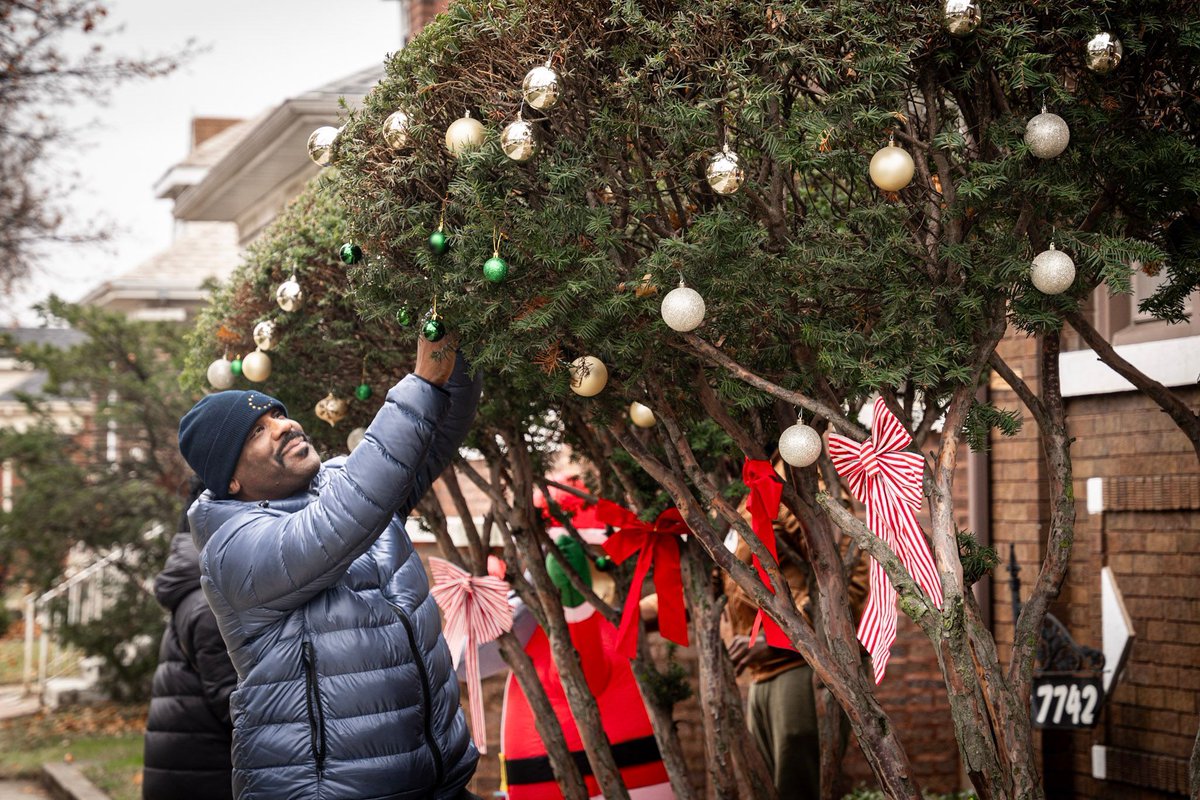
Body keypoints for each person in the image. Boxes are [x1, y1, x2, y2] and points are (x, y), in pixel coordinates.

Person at [178, 336, 482, 800]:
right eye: (256, 432)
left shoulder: (346, 483)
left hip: (437, 780)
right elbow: (337, 522)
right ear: (230, 480)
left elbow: (436, 431)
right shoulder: (233, 548)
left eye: (277, 414)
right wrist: (421, 381)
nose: (283, 426)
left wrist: (455, 347)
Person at [723, 496, 869, 800]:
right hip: (762, 673)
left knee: (800, 789)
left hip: (801, 669)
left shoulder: (795, 478)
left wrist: (780, 639)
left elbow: (845, 580)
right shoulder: (748, 489)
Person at [143, 476, 237, 800]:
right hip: (206, 778)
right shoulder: (210, 602)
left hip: (191, 771)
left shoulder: (202, 585)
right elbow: (237, 706)